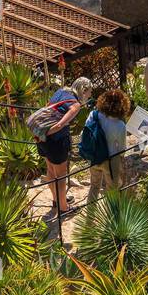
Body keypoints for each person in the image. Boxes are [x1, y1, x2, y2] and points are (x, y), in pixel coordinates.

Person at [38, 76, 92, 216]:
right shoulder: (75, 105)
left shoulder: (60, 92)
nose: (90, 95)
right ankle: (63, 208)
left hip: (41, 138)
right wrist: (50, 133)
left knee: (50, 170)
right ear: (84, 90)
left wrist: (42, 134)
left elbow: (46, 107)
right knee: (61, 175)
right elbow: (60, 124)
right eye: (89, 92)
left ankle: (57, 200)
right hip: (56, 141)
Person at [89, 88, 132, 202]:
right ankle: (111, 218)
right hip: (111, 159)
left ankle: (89, 219)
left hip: (94, 156)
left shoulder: (93, 115)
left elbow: (86, 132)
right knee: (112, 191)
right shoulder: (120, 125)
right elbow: (122, 150)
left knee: (94, 187)